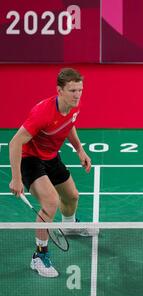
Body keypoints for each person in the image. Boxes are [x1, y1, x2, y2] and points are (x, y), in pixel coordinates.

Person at [9, 68, 97, 278]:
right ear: (59, 90)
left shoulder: (73, 107)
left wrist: (79, 150)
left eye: (80, 90)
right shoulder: (43, 113)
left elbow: (69, 125)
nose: (77, 95)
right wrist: (16, 178)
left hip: (51, 156)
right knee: (50, 203)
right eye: (72, 90)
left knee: (72, 196)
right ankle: (39, 256)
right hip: (30, 160)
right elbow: (14, 143)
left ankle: (68, 226)